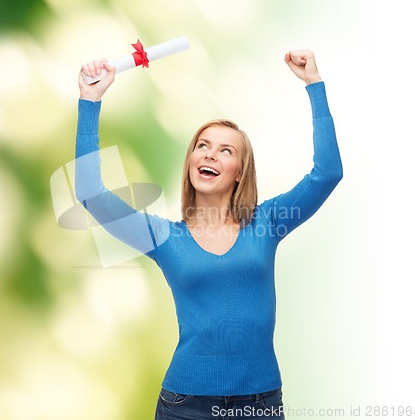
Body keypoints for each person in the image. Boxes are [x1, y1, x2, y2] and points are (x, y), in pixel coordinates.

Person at [75, 50, 343, 420]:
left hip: (259, 405)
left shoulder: (268, 222)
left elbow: (327, 173)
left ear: (239, 173)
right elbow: (91, 194)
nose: (210, 155)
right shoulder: (162, 237)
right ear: (190, 163)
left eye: (225, 150)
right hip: (185, 406)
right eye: (202, 146)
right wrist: (90, 102)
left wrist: (314, 84)